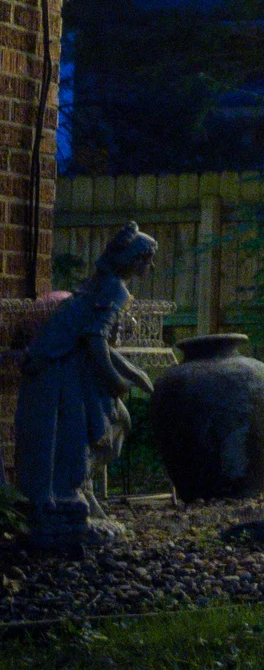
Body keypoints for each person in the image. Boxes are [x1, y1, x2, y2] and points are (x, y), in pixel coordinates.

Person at [15, 222, 157, 552]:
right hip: (59, 369)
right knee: (76, 433)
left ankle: (74, 496)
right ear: (134, 261)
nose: (149, 268)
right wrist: (117, 380)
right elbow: (95, 343)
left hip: (63, 365)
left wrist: (134, 374)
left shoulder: (107, 284)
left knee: (92, 430)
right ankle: (63, 506)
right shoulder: (114, 290)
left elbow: (100, 343)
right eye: (147, 261)